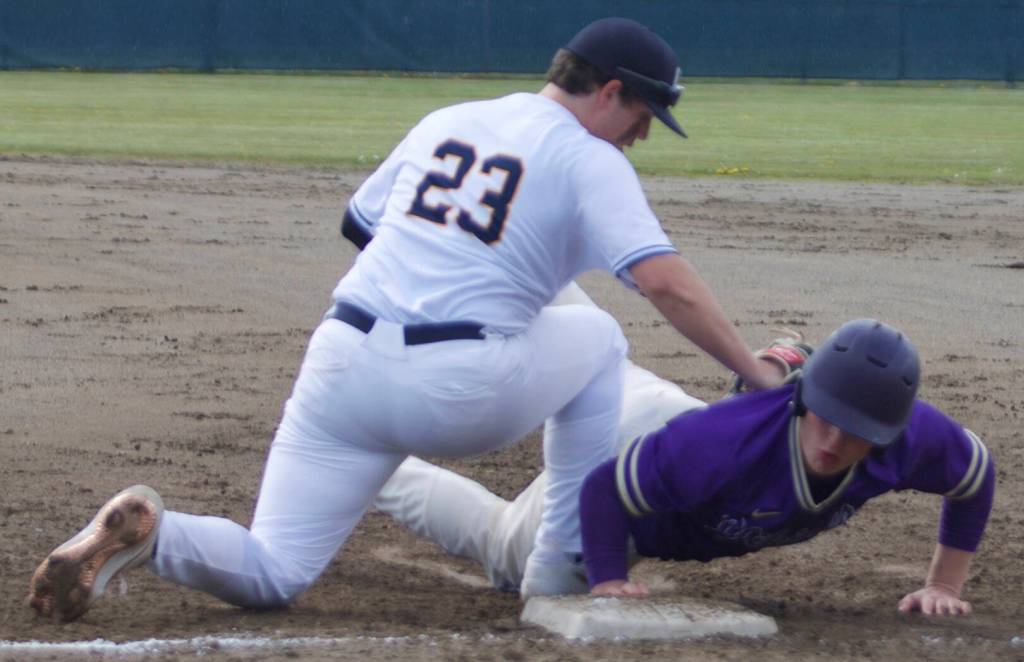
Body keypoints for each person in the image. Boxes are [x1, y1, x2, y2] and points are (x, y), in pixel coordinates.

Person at [28, 17, 783, 622]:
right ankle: (555, 575)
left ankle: (159, 533)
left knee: (275, 568)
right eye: (644, 115)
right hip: (459, 392)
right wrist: (752, 371)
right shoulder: (590, 159)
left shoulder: (448, 119)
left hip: (340, 365)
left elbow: (362, 225)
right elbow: (665, 284)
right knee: (599, 339)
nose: (640, 135)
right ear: (612, 91)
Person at [374, 320, 994, 616]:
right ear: (805, 400)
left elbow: (975, 478)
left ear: (887, 434)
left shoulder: (916, 439)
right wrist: (608, 576)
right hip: (633, 441)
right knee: (508, 557)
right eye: (824, 418)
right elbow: (604, 491)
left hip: (670, 424)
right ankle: (369, 467)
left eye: (855, 433)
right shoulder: (723, 444)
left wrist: (944, 585)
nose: (832, 442)